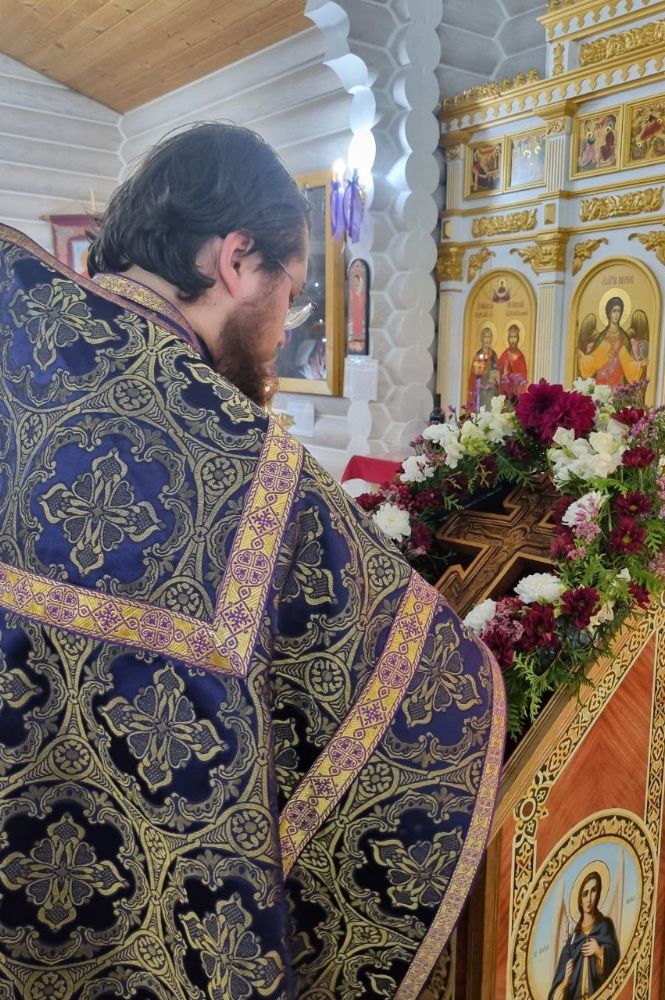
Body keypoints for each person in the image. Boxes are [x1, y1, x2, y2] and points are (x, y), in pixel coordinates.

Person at [0, 123, 506, 998]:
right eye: (292, 295)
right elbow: (428, 684)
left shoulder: (18, 346)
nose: (281, 334)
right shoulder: (256, 466)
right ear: (237, 260)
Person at [548, 870, 620, 1000]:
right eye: (585, 893)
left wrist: (599, 952)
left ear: (598, 894)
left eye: (593, 891)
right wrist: (565, 982)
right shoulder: (572, 942)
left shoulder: (605, 926)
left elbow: (617, 968)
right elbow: (555, 994)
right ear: (580, 900)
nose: (589, 899)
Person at [577, 296, 647, 388]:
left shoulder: (624, 337)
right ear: (609, 313)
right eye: (614, 311)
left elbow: (627, 362)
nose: (617, 314)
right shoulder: (602, 337)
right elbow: (595, 359)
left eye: (619, 311)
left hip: (617, 383)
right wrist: (582, 357)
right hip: (601, 382)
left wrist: (639, 365)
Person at [468, 325, 500, 410]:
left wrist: (492, 382)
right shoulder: (478, 355)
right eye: (485, 337)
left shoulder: (493, 355)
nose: (487, 340)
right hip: (481, 392)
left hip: (491, 392)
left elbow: (496, 374)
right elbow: (474, 375)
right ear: (482, 339)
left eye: (489, 337)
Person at [497, 324, 529, 400]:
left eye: (515, 337)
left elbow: (523, 376)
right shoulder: (505, 354)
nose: (513, 340)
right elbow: (498, 370)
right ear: (508, 338)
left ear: (518, 338)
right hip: (505, 391)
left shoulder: (520, 357)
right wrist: (503, 372)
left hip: (516, 393)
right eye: (511, 337)